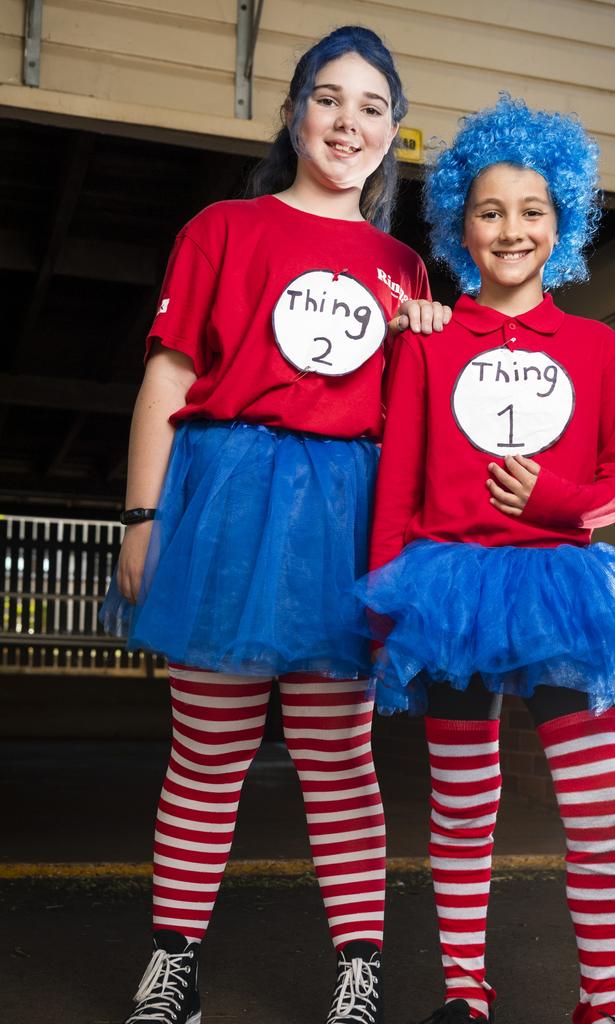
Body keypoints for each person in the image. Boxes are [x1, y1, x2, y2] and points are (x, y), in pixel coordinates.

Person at [100, 25, 450, 1024]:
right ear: (295, 111)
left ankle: (359, 970)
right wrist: (140, 515)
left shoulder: (403, 265)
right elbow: (168, 372)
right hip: (230, 509)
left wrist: (425, 340)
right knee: (205, 752)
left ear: (393, 132)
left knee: (339, 758)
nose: (348, 121)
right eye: (329, 97)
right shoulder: (223, 227)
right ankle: (174, 964)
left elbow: (417, 420)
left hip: (349, 526)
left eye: (372, 106)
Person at [353, 96, 615, 1024]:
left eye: (532, 211)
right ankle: (464, 993)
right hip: (450, 587)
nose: (511, 228)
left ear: (561, 224)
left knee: (598, 803)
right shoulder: (432, 344)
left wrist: (560, 502)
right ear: (458, 224)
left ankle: (605, 1003)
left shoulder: (597, 346)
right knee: (461, 801)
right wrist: (380, 613)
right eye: (489, 211)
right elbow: (396, 486)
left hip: (563, 588)